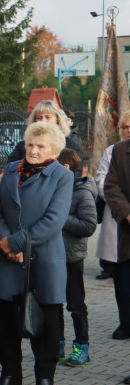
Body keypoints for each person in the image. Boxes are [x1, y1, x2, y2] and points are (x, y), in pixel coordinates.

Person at [0, 122, 73, 385]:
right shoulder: (12, 170)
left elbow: (54, 220)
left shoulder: (62, 176)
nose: (33, 150)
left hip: (43, 258)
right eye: (30, 145)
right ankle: (10, 374)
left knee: (46, 321)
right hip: (8, 259)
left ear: (54, 150)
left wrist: (16, 242)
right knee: (8, 319)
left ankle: (44, 378)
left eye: (40, 146)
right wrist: (5, 242)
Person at [57, 148, 97, 367]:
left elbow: (90, 226)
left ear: (65, 169)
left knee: (76, 304)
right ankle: (58, 344)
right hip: (53, 255)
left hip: (72, 256)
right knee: (55, 303)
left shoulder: (82, 193)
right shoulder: (55, 189)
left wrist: (61, 218)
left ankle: (82, 347)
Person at [96, 111, 130, 314]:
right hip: (120, 219)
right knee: (123, 275)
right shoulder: (114, 151)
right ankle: (126, 322)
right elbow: (105, 183)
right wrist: (124, 210)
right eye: (126, 127)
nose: (129, 130)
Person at [6, 100, 85, 164]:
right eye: (39, 118)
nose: (43, 121)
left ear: (58, 119)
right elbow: (10, 172)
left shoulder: (71, 148)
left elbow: (73, 179)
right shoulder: (22, 146)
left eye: (48, 117)